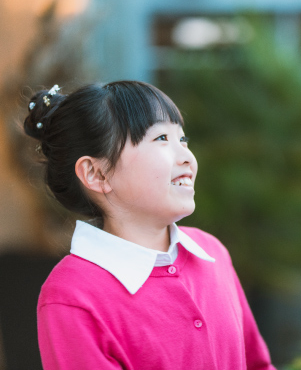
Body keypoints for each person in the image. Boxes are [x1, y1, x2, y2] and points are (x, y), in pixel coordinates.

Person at [25, 81, 276, 370]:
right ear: (96, 173)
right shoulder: (72, 294)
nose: (187, 157)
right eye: (161, 139)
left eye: (183, 140)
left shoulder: (212, 252)